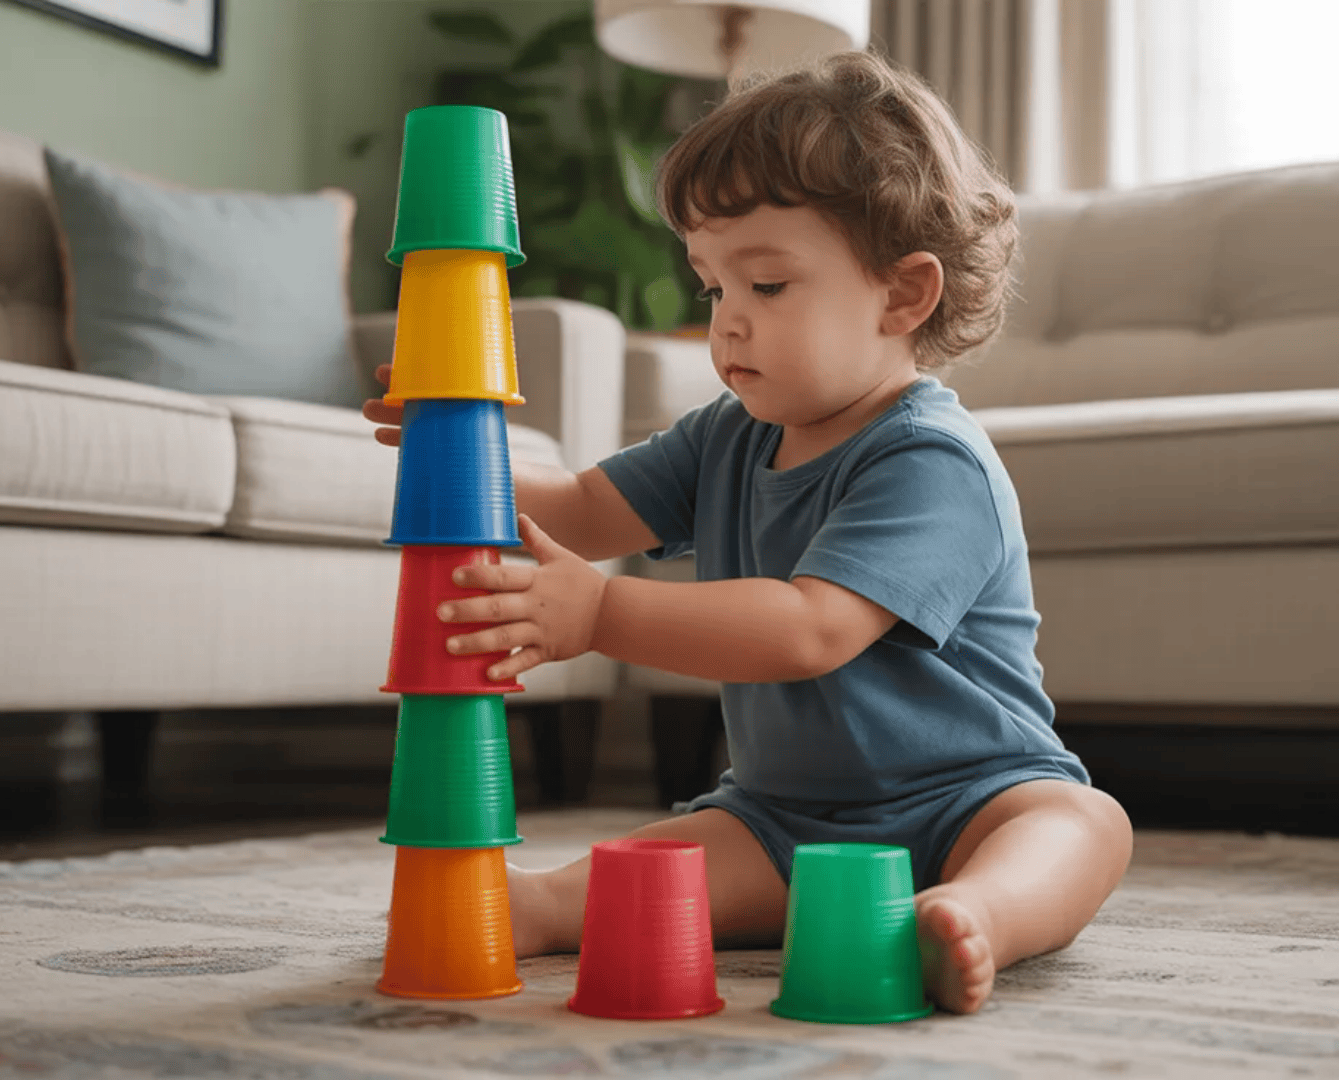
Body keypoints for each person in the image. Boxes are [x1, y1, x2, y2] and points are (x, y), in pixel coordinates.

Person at [363, 49, 1132, 1015]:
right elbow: (586, 509)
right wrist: (456, 436)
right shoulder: (729, 433)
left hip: (971, 799)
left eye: (766, 287)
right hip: (781, 820)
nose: (727, 324)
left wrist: (600, 612)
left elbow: (809, 629)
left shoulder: (932, 459)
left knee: (1080, 823)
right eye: (712, 287)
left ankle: (974, 914)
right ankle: (546, 907)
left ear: (903, 296)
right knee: (605, 882)